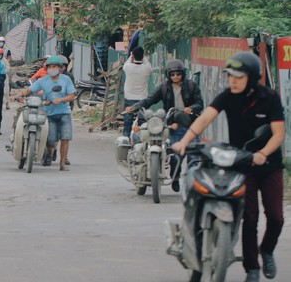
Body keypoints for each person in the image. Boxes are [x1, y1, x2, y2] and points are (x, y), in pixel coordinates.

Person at [172, 52, 285, 282]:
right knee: (249, 218)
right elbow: (204, 119)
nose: (232, 80)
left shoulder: (270, 97)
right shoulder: (227, 96)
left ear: (251, 78)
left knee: (276, 218)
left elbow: (279, 134)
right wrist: (184, 142)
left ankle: (267, 250)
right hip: (242, 164)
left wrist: (263, 153)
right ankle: (252, 269)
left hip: (269, 163)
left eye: (238, 76)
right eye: (230, 76)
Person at [125, 59, 204, 192]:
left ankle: (192, 185)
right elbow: (150, 100)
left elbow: (200, 104)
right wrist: (135, 107)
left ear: (183, 74)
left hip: (192, 125)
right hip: (174, 126)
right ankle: (175, 178)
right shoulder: (163, 88)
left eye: (178, 74)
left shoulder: (191, 86)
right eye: (172, 74)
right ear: (169, 75)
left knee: (194, 157)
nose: (175, 77)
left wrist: (192, 108)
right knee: (174, 156)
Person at [11, 56, 77, 170]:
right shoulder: (43, 80)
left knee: (65, 138)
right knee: (51, 140)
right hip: (49, 114)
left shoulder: (66, 79)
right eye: (50, 67)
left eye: (54, 66)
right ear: (47, 68)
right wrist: (18, 95)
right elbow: (30, 90)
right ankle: (50, 152)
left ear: (60, 68)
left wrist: (60, 100)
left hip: (64, 113)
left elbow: (72, 95)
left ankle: (62, 163)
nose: (52, 69)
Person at [122, 46, 153, 137]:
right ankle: (141, 141)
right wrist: (144, 57)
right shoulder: (146, 69)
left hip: (129, 98)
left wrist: (131, 55)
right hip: (142, 99)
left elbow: (127, 62)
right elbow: (149, 66)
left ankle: (126, 140)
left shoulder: (128, 67)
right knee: (142, 122)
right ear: (142, 56)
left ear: (133, 56)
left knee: (127, 121)